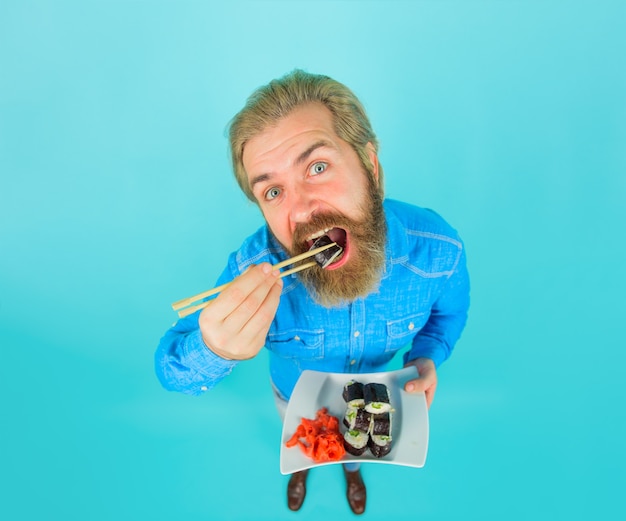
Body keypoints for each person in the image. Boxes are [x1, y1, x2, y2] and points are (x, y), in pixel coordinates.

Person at [155, 69, 470, 515]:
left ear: (370, 166)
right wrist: (215, 348)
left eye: (317, 167)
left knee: (354, 452)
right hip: (292, 395)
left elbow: (448, 316)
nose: (300, 210)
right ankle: (300, 470)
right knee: (300, 441)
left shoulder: (437, 252)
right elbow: (170, 367)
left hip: (376, 395)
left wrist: (426, 358)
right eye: (274, 191)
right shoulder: (254, 269)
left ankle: (353, 472)